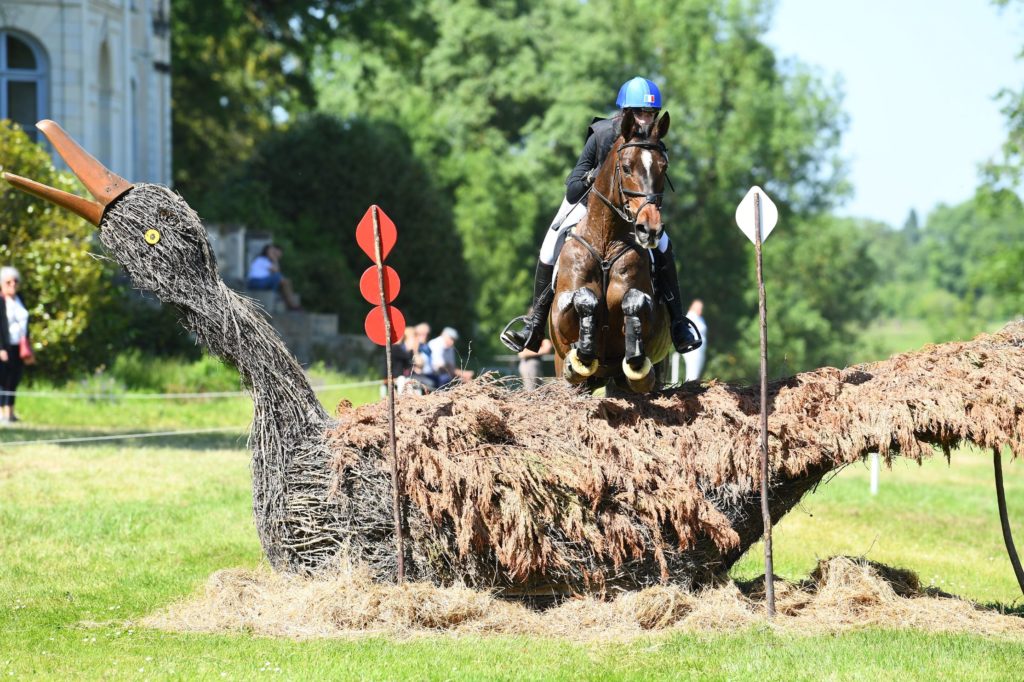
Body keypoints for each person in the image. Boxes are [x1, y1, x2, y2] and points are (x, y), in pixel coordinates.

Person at [500, 77, 701, 357]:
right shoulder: (602, 134)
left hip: (634, 210)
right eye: (641, 113)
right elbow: (572, 190)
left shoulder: (654, 144)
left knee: (664, 246)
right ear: (627, 113)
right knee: (550, 243)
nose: (646, 120)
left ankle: (678, 323)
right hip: (590, 206)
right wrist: (593, 176)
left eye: (651, 114)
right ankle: (534, 325)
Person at [0, 266, 33, 424]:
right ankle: (2, 414)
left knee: (14, 379)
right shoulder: (0, 301)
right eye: (8, 282)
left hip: (18, 346)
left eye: (15, 282)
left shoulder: (20, 298)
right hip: (4, 347)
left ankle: (11, 413)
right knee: (3, 380)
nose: (12, 285)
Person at [246, 244, 302, 310]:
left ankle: (291, 304)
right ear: (267, 252)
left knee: (283, 280)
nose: (274, 253)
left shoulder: (265, 260)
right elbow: (276, 270)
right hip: (256, 282)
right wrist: (275, 259)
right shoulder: (262, 259)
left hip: (259, 282)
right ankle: (292, 305)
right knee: (279, 278)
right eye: (272, 251)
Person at [682, 299, 708, 382]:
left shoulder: (700, 318)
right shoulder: (691, 316)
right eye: (699, 308)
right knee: (692, 371)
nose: (701, 310)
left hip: (700, 349)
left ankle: (693, 385)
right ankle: (689, 387)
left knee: (697, 371)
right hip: (693, 349)